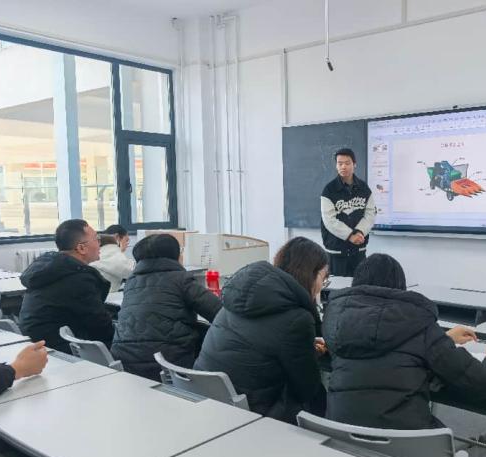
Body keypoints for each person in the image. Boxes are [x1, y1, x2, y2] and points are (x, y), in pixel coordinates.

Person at [322, 253, 486, 430]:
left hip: (341, 437)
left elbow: (381, 343)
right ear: (400, 288)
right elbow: (483, 382)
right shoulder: (419, 325)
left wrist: (443, 339)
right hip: (405, 444)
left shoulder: (335, 324)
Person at [195, 237, 328, 424]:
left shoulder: (236, 296)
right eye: (324, 277)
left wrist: (304, 346)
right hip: (252, 413)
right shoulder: (297, 318)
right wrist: (309, 353)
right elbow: (306, 388)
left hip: (206, 398)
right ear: (310, 274)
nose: (322, 285)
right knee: (319, 398)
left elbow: (258, 343)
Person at [112, 234, 222, 381]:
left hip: (125, 363)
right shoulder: (180, 279)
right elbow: (220, 314)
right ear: (175, 255)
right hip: (167, 366)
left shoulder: (131, 282)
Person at [19, 219, 114, 354]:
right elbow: (100, 325)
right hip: (56, 349)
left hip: (34, 344)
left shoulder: (52, 268)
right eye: (96, 239)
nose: (100, 244)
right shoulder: (78, 279)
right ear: (81, 248)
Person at [320, 148, 377, 277]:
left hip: (358, 250)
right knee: (337, 287)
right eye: (340, 163)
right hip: (336, 253)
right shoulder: (329, 190)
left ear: (354, 164)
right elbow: (329, 220)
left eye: (347, 163)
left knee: (359, 285)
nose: (343, 167)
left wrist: (360, 232)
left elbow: (370, 213)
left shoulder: (364, 188)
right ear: (336, 165)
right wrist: (350, 235)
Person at [91, 225, 135, 292]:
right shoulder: (112, 253)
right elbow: (132, 271)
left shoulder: (99, 251)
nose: (127, 244)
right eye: (126, 240)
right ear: (117, 237)